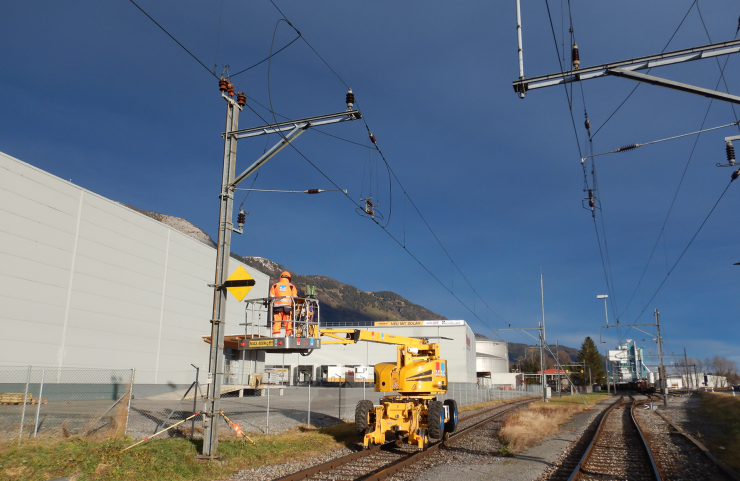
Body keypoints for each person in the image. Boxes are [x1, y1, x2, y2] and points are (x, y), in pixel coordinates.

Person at [270, 271, 297, 337]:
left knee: (277, 323)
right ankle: (289, 336)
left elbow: (271, 296)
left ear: (280, 277)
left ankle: (276, 337)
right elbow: (295, 297)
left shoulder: (275, 285)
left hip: (276, 308)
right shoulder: (291, 286)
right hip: (287, 308)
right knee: (288, 324)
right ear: (289, 278)